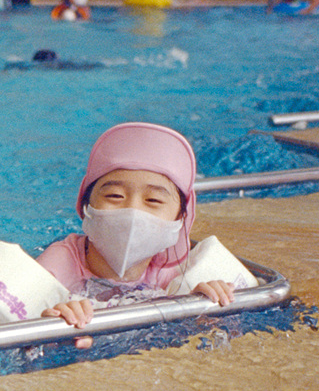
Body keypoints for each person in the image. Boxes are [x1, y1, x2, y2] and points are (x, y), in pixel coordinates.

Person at [36, 123, 239, 349]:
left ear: (180, 219)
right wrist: (52, 326)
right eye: (114, 195)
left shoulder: (169, 276)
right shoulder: (56, 266)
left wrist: (199, 308)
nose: (132, 211)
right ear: (86, 206)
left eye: (153, 200)